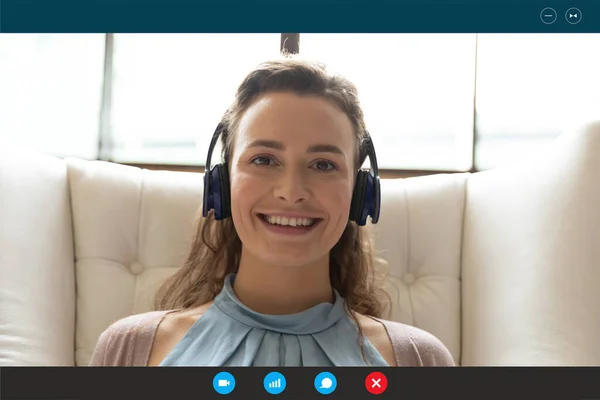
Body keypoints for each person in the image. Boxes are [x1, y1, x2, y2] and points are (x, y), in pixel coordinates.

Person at [89, 55, 455, 367]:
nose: (291, 192)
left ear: (361, 194)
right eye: (264, 159)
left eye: (323, 164)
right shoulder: (131, 349)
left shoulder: (420, 360)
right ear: (222, 184)